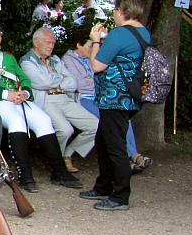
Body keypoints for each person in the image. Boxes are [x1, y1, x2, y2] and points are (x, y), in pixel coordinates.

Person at [0, 17, 82, 192]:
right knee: (17, 122)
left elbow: (23, 78)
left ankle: (60, 171)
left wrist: (24, 92)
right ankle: (25, 174)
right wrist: (8, 95)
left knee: (44, 120)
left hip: (19, 99)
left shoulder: (8, 58)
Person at [79, 0, 146, 211]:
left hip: (115, 98)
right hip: (128, 97)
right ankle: (103, 186)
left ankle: (120, 196)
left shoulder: (120, 34)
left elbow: (97, 65)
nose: (114, 15)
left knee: (115, 147)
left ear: (121, 11)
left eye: (115, 11)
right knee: (103, 141)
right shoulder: (143, 32)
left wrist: (96, 41)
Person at [61, 27, 153, 174]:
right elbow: (79, 84)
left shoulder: (90, 58)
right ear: (78, 45)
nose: (93, 48)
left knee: (123, 119)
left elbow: (103, 76)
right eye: (90, 45)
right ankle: (133, 157)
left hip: (101, 95)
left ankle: (132, 157)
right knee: (109, 121)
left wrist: (94, 79)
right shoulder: (68, 60)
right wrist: (96, 79)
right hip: (84, 98)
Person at [20, 28, 98, 173]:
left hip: (64, 98)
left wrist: (54, 80)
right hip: (46, 100)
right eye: (48, 42)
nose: (51, 46)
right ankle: (56, 162)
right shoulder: (27, 61)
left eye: (53, 43)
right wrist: (60, 78)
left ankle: (67, 154)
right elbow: (42, 83)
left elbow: (73, 83)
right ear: (36, 43)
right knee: (65, 129)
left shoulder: (55, 60)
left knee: (95, 125)